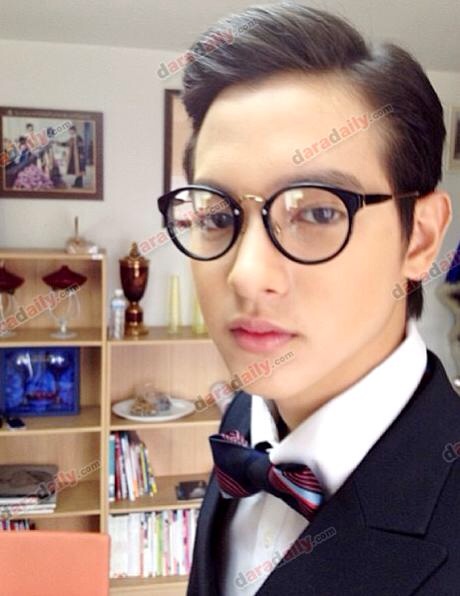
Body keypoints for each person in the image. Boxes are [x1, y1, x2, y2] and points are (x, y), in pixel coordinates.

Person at [156, 3, 460, 594]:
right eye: (217, 216)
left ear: (420, 238)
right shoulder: (246, 416)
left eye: (318, 212)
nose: (247, 275)